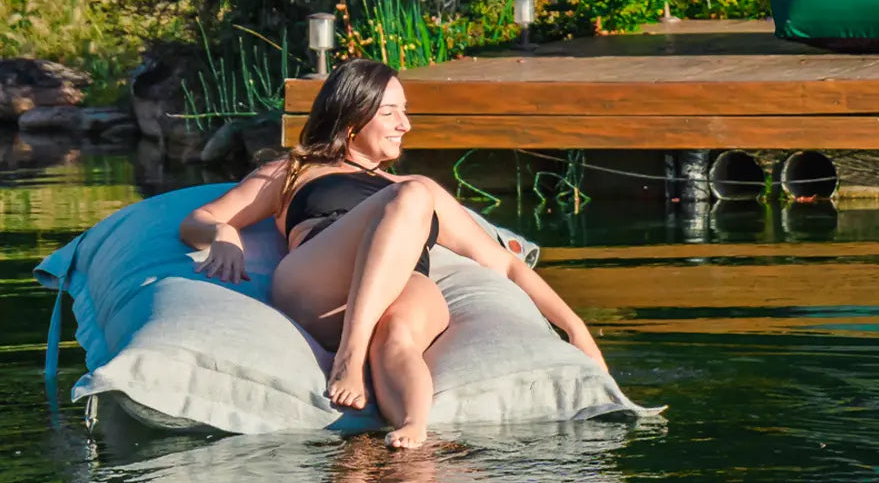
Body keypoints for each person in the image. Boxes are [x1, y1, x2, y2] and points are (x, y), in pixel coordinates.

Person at [179, 58, 607, 450]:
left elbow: (506, 264)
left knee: (400, 331)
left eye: (405, 111)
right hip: (322, 283)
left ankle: (413, 425)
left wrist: (576, 330)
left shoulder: (418, 190)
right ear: (351, 120)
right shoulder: (297, 170)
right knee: (413, 192)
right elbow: (199, 219)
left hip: (403, 284)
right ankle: (350, 353)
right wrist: (223, 234)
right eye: (390, 112)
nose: (404, 124)